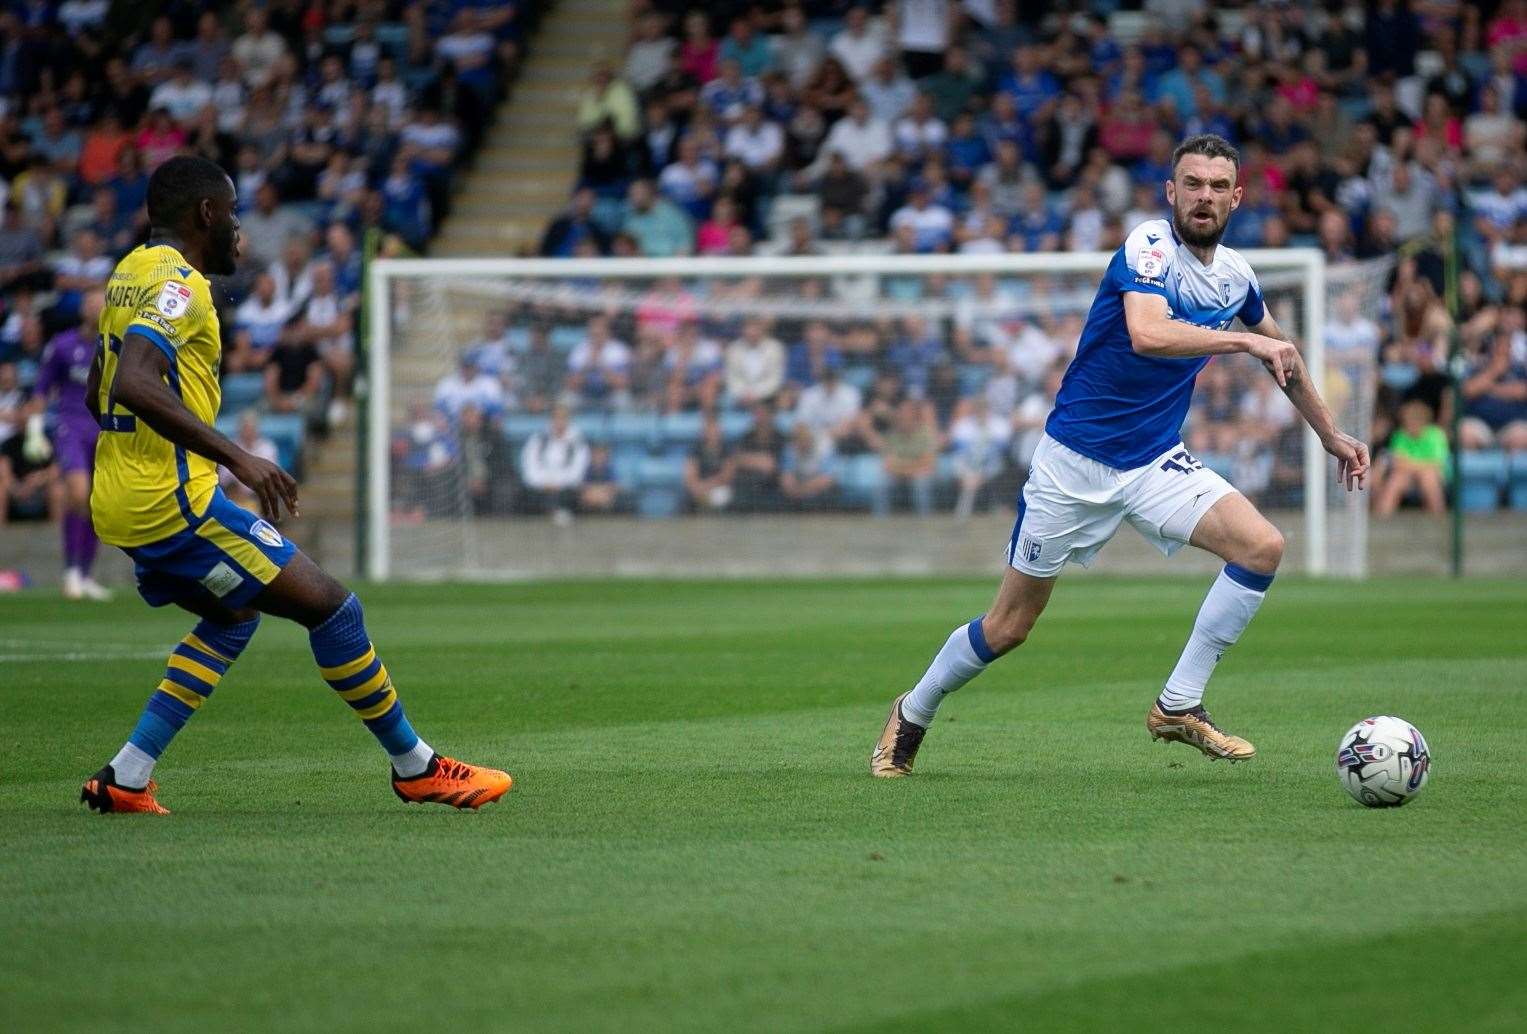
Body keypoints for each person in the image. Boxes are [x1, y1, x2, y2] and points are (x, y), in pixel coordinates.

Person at [871, 135, 1371, 777]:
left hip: (1155, 462)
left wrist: (1330, 433)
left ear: (1237, 197)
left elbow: (1287, 358)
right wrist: (1245, 343)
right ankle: (912, 710)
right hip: (1073, 464)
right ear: (1171, 192)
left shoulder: (1237, 277)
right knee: (1009, 627)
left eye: (1218, 187)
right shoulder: (1148, 247)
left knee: (1262, 547)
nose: (1204, 197)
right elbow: (1147, 333)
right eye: (1192, 184)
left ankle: (1179, 704)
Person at [79, 157, 512, 814]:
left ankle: (126, 777)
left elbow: (97, 389)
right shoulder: (179, 286)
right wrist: (239, 458)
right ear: (206, 214)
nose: (238, 228)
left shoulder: (128, 274)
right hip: (176, 504)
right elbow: (133, 383)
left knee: (230, 619)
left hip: (121, 498)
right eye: (232, 213)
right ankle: (416, 767)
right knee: (334, 609)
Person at [29, 291, 111, 600]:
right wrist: (34, 432)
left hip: (103, 432)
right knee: (77, 494)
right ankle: (71, 571)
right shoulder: (63, 345)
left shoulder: (113, 347)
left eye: (101, 304)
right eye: (92, 304)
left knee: (96, 504)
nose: (97, 309)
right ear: (83, 310)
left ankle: (86, 574)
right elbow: (41, 389)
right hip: (71, 428)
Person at [1373, 399, 1448, 517]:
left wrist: (1412, 466)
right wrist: (1418, 466)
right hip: (1406, 475)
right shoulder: (1400, 435)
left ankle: (1438, 519)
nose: (1409, 424)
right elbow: (1397, 463)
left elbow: (1436, 464)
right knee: (1396, 479)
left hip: (1431, 475)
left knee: (1428, 478)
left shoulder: (1436, 435)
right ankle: (1382, 518)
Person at [520, 404, 590, 525]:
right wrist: (544, 483)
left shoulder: (578, 442)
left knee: (571, 494)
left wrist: (557, 483)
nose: (559, 422)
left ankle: (554, 511)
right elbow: (529, 465)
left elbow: (577, 471)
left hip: (565, 487)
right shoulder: (538, 439)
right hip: (541, 486)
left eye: (563, 418)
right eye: (556, 418)